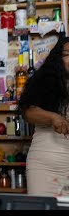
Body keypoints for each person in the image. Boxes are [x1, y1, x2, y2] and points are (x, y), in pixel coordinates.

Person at [18, 36, 69, 196]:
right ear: (57, 59)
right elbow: (28, 112)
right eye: (67, 54)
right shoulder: (44, 81)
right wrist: (53, 117)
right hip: (45, 165)